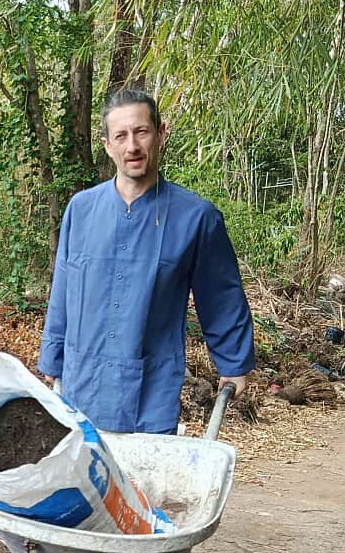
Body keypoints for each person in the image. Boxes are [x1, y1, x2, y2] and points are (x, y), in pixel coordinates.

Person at [38, 89, 254, 434]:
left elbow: (221, 295)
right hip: (83, 380)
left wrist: (233, 361)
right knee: (84, 482)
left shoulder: (196, 218)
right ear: (108, 145)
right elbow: (64, 286)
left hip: (151, 388)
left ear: (161, 133)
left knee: (144, 487)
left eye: (141, 132)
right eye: (121, 136)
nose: (132, 146)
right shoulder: (81, 209)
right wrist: (52, 356)